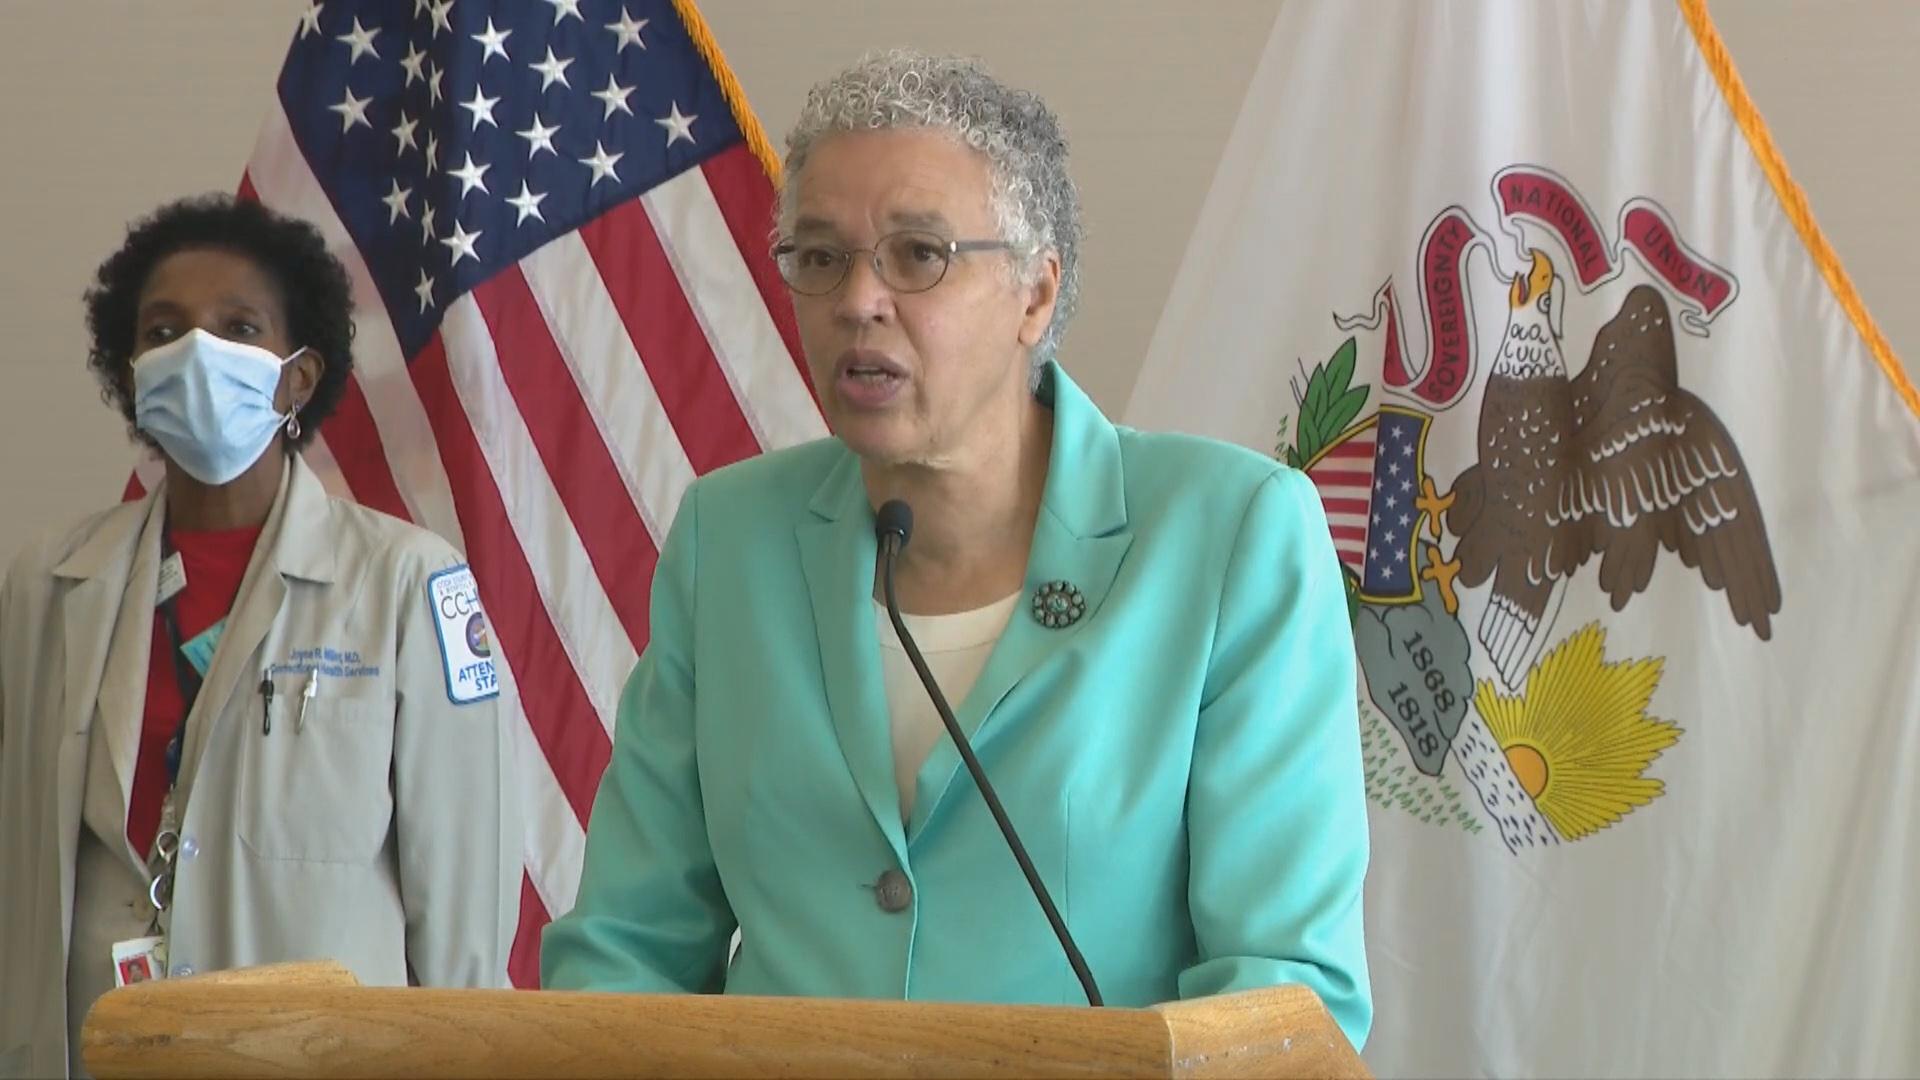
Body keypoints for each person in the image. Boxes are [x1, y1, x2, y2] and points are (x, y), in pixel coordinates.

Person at [541, 49, 1371, 1047]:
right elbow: (626, 954)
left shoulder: (1230, 535)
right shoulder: (731, 539)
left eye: (918, 255)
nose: (859, 301)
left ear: (1035, 293)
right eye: (819, 256)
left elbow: (1284, 994)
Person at [0, 195, 520, 1078]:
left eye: (238, 328)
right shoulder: (50, 580)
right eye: (164, 330)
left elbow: (463, 919)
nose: (196, 353)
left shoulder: (410, 585)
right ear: (131, 371)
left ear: (298, 376)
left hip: (319, 1060)